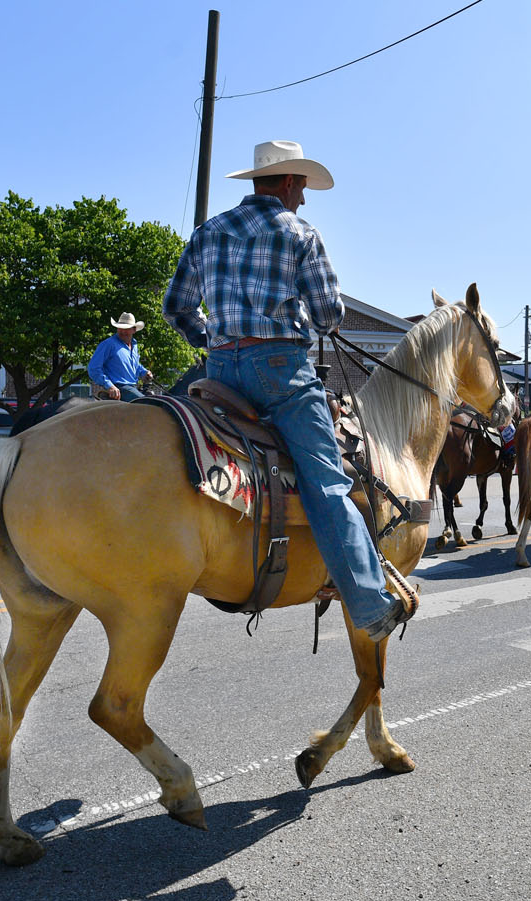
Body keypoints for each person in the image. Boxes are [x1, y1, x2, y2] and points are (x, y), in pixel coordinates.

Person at [160, 139, 410, 644]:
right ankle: (367, 601)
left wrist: (211, 341)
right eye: (303, 188)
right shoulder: (300, 232)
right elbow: (328, 315)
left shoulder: (208, 233)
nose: (305, 199)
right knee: (327, 483)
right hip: (280, 372)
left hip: (219, 373)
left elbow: (176, 307)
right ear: (290, 182)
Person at [88, 312, 153, 400]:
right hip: (119, 388)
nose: (122, 331)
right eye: (120, 328)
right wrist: (110, 386)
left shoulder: (134, 345)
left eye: (126, 328)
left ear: (134, 329)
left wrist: (144, 372)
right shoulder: (108, 344)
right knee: (147, 403)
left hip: (132, 387)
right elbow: (93, 368)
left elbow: (135, 366)